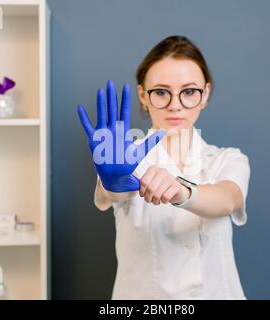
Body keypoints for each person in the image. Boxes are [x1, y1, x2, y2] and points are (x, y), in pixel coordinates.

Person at [77, 35, 251, 299]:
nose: (175, 105)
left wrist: (182, 191)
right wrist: (113, 185)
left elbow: (228, 200)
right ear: (143, 96)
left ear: (205, 94)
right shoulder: (126, 160)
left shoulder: (227, 159)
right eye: (161, 92)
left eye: (189, 91)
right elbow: (111, 194)